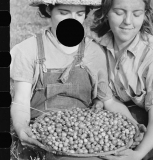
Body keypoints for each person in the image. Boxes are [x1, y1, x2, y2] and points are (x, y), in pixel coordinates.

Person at [10, 0, 144, 160]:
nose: (72, 21)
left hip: (83, 134)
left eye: (79, 14)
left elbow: (109, 101)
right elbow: (21, 100)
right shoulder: (28, 50)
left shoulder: (93, 52)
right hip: (40, 134)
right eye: (64, 13)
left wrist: (132, 124)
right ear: (48, 9)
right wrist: (21, 128)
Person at [91, 0, 153, 159]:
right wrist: (99, 100)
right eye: (119, 13)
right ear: (106, 13)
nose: (128, 21)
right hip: (123, 121)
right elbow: (108, 99)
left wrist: (137, 154)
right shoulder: (97, 48)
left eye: (136, 14)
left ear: (145, 15)